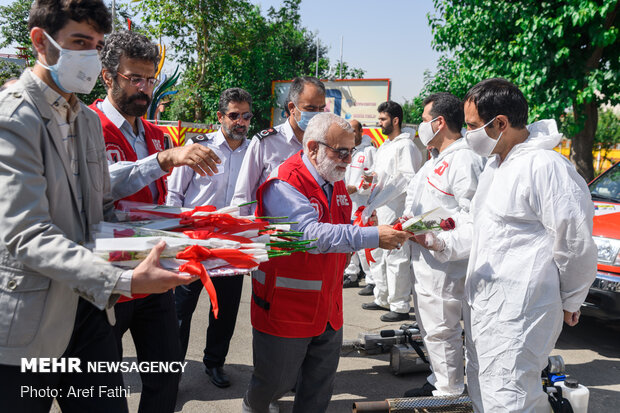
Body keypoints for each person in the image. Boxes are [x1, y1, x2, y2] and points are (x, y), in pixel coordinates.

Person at [0, 1, 194, 412]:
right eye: (79, 42)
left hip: (87, 314)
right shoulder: (14, 118)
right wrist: (122, 281)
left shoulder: (83, 120)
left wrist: (183, 240)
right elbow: (26, 234)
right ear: (40, 41)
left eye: (97, 44)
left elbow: (100, 198)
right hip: (29, 320)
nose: (90, 55)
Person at [420, 78, 597, 412]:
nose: (468, 133)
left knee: (511, 397)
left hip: (521, 311)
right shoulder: (496, 166)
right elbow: (481, 229)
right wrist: (438, 240)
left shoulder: (545, 167)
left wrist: (571, 299)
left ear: (500, 123)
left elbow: (575, 243)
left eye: (473, 126)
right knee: (485, 390)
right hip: (489, 309)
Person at [242, 113, 412, 413]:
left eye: (352, 151)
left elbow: (339, 230)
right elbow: (310, 234)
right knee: (273, 384)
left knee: (318, 390)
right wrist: (370, 235)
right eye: (340, 151)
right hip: (286, 308)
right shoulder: (285, 182)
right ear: (312, 148)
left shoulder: (333, 179)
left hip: (328, 309)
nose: (348, 160)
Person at [89, 30, 221, 413]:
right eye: (134, 78)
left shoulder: (156, 134)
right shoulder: (89, 127)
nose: (145, 89)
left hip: (154, 277)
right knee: (104, 387)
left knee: (166, 376)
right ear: (108, 77)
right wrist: (162, 161)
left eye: (150, 79)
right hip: (108, 280)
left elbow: (159, 203)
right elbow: (100, 188)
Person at [167, 87, 253, 388]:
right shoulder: (198, 147)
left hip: (231, 245)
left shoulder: (254, 151)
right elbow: (174, 193)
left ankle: (214, 363)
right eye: (233, 116)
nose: (240, 122)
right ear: (220, 117)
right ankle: (171, 375)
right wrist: (172, 236)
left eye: (245, 116)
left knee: (225, 311)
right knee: (180, 310)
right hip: (194, 243)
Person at [401, 93, 484, 397]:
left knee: (443, 328)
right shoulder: (436, 159)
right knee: (430, 325)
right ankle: (440, 379)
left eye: (423, 120)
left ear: (439, 122)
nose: (420, 128)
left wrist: (433, 234)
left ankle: (449, 392)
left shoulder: (465, 158)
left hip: (446, 262)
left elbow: (472, 214)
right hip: (425, 257)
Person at [362, 101, 423, 322]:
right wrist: (372, 178)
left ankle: (399, 304)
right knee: (378, 254)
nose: (379, 123)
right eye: (379, 119)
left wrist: (382, 196)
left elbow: (406, 179)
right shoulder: (386, 145)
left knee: (395, 255)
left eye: (383, 119)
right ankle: (383, 297)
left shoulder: (405, 146)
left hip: (395, 205)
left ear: (395, 120)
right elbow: (382, 175)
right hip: (379, 205)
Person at [231, 76, 326, 215]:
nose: (316, 114)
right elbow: (242, 197)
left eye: (321, 109)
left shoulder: (324, 144)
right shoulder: (266, 142)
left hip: (313, 231)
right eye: (310, 108)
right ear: (292, 108)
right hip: (271, 231)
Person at [343, 119, 376, 289]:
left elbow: (372, 179)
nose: (351, 134)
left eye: (354, 131)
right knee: (348, 241)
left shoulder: (369, 151)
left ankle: (371, 280)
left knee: (363, 244)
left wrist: (357, 189)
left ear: (361, 132)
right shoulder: (346, 150)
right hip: (347, 204)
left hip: (361, 204)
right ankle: (351, 273)